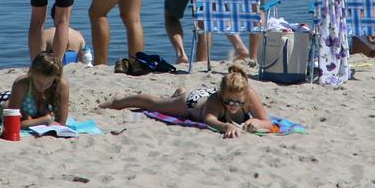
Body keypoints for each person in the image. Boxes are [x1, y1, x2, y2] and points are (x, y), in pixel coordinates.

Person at [99, 63, 272, 138]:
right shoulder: (215, 99)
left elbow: (267, 122)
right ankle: (118, 102)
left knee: (166, 101)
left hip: (201, 96)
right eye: (228, 102)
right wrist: (226, 125)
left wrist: (257, 122)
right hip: (192, 103)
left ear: (245, 96)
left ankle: (179, 92)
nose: (233, 106)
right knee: (156, 103)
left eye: (238, 103)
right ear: (221, 94)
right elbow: (209, 119)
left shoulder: (249, 93)